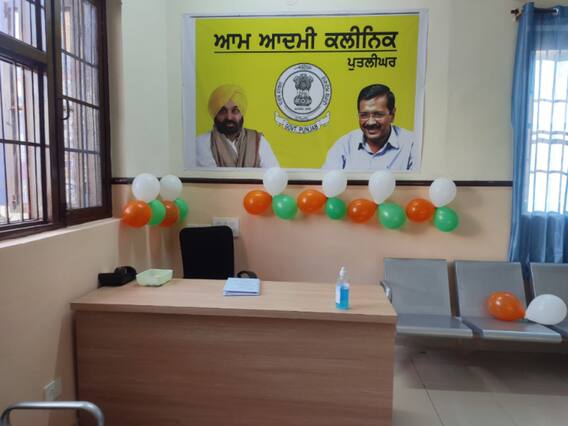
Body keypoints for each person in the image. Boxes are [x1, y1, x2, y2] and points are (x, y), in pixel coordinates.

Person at [322, 84, 417, 171]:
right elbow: (326, 181)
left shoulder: (412, 145)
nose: (371, 122)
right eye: (364, 115)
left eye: (378, 114)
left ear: (392, 115)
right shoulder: (344, 146)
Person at [195, 84, 279, 168]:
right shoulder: (201, 143)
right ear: (215, 114)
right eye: (222, 111)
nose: (229, 117)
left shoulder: (258, 141)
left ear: (242, 113)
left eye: (235, 111)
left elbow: (273, 173)